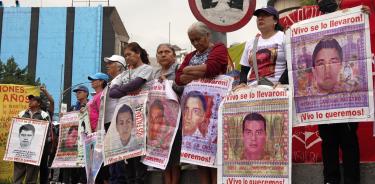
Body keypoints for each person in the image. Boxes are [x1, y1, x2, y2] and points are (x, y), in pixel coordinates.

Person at [175, 21, 228, 184]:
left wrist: (188, 70)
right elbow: (178, 78)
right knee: (199, 152)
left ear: (207, 35)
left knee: (214, 149)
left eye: (198, 39)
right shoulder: (190, 56)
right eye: (192, 41)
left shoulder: (218, 48)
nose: (196, 43)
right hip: (194, 108)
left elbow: (212, 69)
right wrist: (199, 71)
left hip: (214, 108)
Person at [109, 42, 153, 184]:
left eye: (129, 54)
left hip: (142, 117)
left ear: (138, 53)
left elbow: (137, 83)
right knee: (128, 157)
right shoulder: (124, 73)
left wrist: (124, 89)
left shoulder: (147, 69)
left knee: (139, 158)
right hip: (126, 118)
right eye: (125, 55)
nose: (127, 57)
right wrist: (128, 90)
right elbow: (112, 92)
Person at [153, 43, 182, 184]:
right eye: (160, 52)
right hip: (159, 122)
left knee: (174, 158)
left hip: (176, 119)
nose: (163, 54)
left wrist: (167, 83)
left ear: (174, 55)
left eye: (167, 51)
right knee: (163, 156)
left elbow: (184, 89)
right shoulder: (154, 74)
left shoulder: (179, 69)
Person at [239, 6, 286, 85]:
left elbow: (292, 66)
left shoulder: (284, 38)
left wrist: (281, 83)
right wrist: (242, 84)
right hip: (252, 92)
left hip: (277, 91)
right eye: (258, 16)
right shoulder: (250, 42)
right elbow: (244, 70)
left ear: (275, 21)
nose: (260, 18)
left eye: (265, 15)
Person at [101, 54, 127, 183]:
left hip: (118, 122)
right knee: (112, 156)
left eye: (111, 63)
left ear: (119, 66)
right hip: (108, 123)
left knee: (118, 156)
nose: (107, 65)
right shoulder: (111, 83)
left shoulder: (123, 79)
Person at [14, 95, 50, 184]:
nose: (30, 101)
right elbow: (16, 128)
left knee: (32, 174)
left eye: (33, 100)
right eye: (29, 99)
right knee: (18, 171)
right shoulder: (22, 113)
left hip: (35, 150)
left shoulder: (44, 115)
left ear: (39, 103)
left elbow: (46, 131)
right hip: (21, 148)